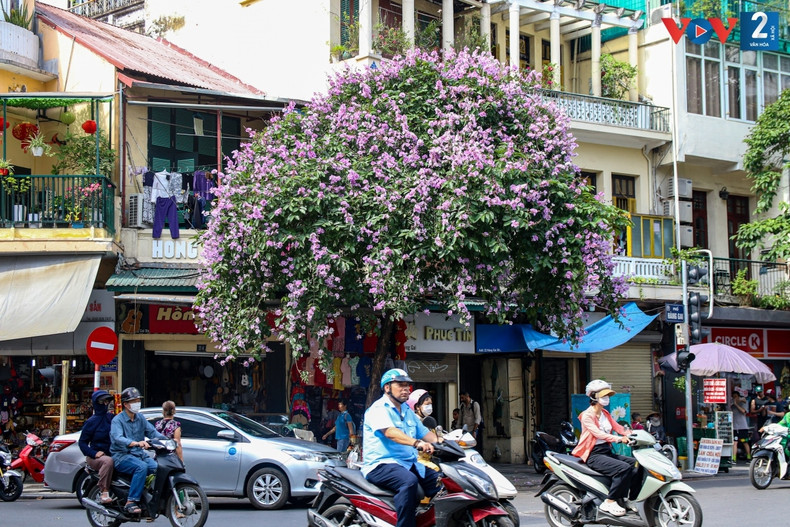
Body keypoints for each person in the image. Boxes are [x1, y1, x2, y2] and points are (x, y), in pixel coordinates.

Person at [362, 368, 440, 527]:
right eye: (401, 385)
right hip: (381, 465)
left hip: (409, 464)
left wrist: (449, 442)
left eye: (407, 386)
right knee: (409, 482)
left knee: (443, 482)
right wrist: (417, 443)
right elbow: (390, 432)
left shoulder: (407, 411)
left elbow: (425, 433)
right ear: (387, 388)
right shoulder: (378, 409)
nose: (406, 389)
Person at [572, 380, 640, 518]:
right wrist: (618, 439)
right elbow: (597, 433)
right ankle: (609, 501)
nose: (607, 398)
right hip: (593, 454)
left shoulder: (605, 414)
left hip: (606, 451)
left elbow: (619, 428)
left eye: (608, 395)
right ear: (593, 397)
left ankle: (629, 499)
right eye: (603, 395)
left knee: (637, 464)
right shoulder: (587, 415)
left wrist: (634, 434)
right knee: (622, 468)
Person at [110, 387, 166, 515]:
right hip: (121, 456)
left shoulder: (140, 418)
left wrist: (168, 441)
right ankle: (131, 501)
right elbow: (117, 438)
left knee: (159, 468)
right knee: (142, 467)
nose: (137, 403)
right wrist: (135, 443)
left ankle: (149, 497)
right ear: (125, 404)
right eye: (133, 401)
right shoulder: (117, 420)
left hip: (139, 455)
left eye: (138, 400)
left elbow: (152, 432)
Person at [78, 390, 115, 504]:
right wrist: (94, 453)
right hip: (97, 457)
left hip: (114, 453)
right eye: (101, 402)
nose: (104, 404)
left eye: (106, 401)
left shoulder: (112, 418)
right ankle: (104, 491)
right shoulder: (91, 422)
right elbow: (82, 443)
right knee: (108, 461)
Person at [730, 390, 751, 462]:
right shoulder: (732, 406)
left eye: (736, 396)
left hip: (743, 427)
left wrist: (736, 404)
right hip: (735, 427)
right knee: (735, 442)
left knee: (745, 442)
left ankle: (749, 457)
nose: (734, 398)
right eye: (733, 397)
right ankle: (734, 458)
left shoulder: (743, 403)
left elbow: (743, 411)